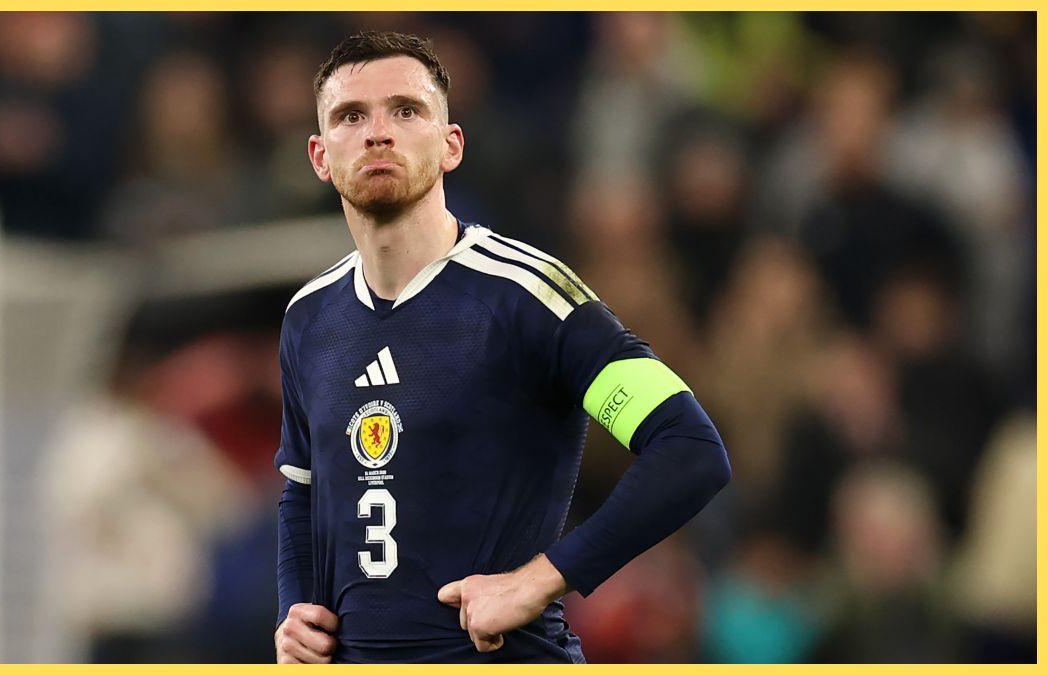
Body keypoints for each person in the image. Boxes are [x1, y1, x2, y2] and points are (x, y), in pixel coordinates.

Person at [273, 30, 730, 664]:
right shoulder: (309, 318)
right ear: (320, 156)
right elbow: (301, 487)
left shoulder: (528, 297)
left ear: (451, 145)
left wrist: (542, 578)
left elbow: (689, 448)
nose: (379, 132)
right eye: (353, 116)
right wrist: (293, 612)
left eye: (406, 110)